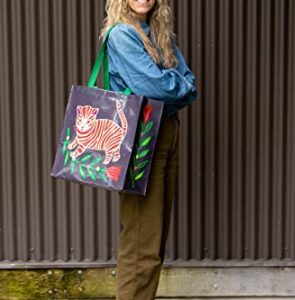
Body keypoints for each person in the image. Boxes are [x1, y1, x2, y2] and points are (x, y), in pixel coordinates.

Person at [99, 0, 197, 299]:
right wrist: (177, 86)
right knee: (142, 241)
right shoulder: (122, 35)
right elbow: (159, 88)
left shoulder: (158, 32)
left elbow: (189, 83)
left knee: (153, 239)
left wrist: (176, 87)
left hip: (166, 131)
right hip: (140, 137)